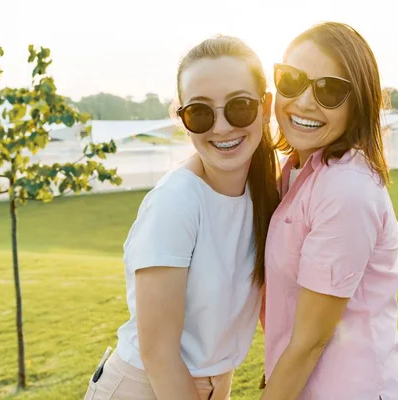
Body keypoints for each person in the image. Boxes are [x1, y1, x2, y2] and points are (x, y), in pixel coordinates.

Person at [84, 35, 279, 400]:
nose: (221, 127)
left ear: (265, 107)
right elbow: (158, 353)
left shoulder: (265, 190)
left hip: (211, 385)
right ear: (183, 119)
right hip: (146, 388)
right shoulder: (174, 204)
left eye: (239, 106)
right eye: (201, 112)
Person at [261, 22, 398, 399]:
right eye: (291, 80)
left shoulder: (345, 189)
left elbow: (310, 342)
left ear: (359, 103)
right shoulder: (298, 171)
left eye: (329, 90)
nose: (305, 102)